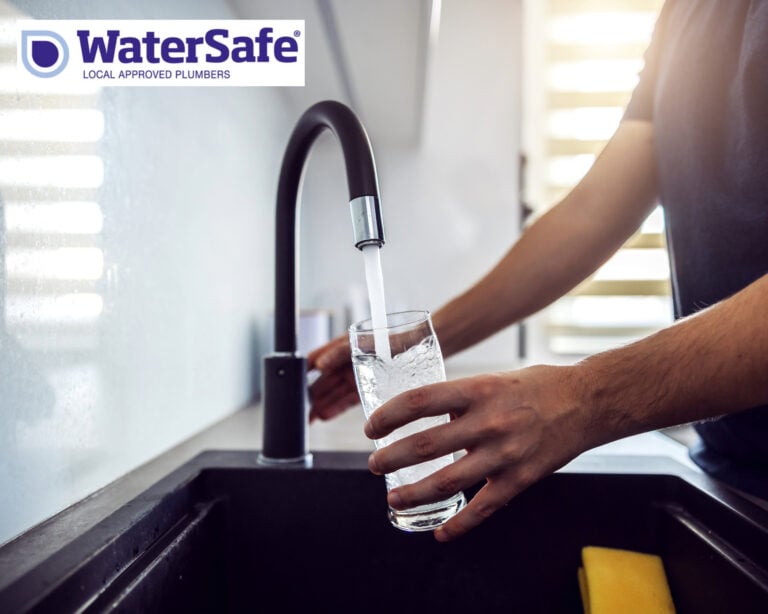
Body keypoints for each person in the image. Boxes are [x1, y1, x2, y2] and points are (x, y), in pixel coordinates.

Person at [307, 0, 768, 542]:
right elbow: (591, 214)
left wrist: (583, 398)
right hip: (729, 468)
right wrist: (419, 346)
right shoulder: (684, 13)